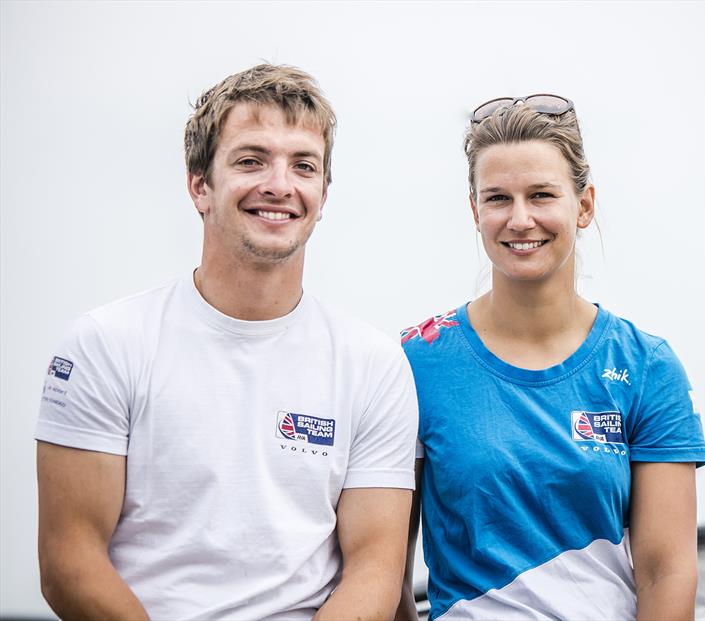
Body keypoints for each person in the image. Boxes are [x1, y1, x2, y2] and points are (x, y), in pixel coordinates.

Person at [36, 63, 418, 621]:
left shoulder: (372, 365)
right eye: (250, 160)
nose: (279, 185)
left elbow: (376, 572)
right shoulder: (105, 345)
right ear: (199, 186)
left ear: (323, 193)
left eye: (303, 166)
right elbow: (69, 562)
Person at [396, 95, 705, 620]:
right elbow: (385, 574)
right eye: (498, 198)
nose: (520, 219)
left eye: (541, 195)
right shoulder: (414, 361)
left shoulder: (646, 366)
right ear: (475, 211)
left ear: (583, 205)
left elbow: (666, 570)